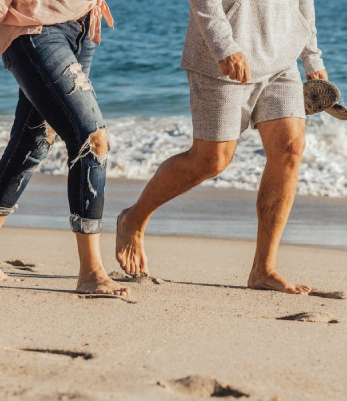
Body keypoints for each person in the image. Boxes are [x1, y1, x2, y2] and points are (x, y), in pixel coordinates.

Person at [116, 0, 328, 294]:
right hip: (224, 57)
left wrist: (312, 57)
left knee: (290, 148)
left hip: (282, 59)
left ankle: (263, 269)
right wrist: (223, 46)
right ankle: (133, 219)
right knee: (211, 160)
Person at [0, 0, 129, 296]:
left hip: (82, 26)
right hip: (33, 30)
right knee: (91, 139)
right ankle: (91, 272)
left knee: (34, 140)